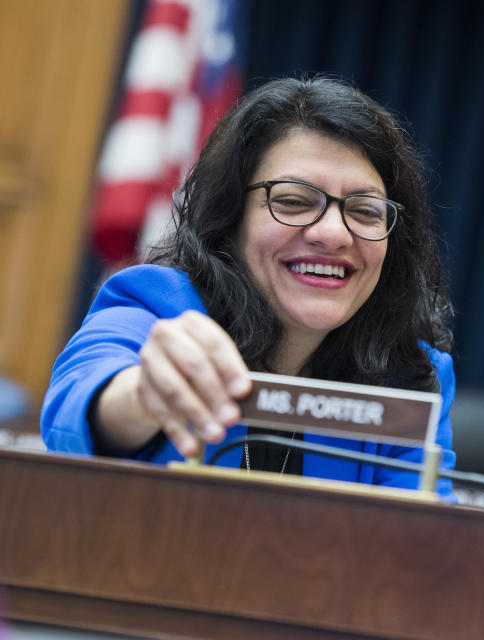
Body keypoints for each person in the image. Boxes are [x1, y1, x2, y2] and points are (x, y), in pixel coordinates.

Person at [41, 76, 456, 498]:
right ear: (232, 218)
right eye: (293, 201)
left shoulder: (412, 377)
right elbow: (75, 414)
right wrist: (141, 398)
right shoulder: (154, 307)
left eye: (365, 210)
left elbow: (417, 541)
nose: (334, 234)